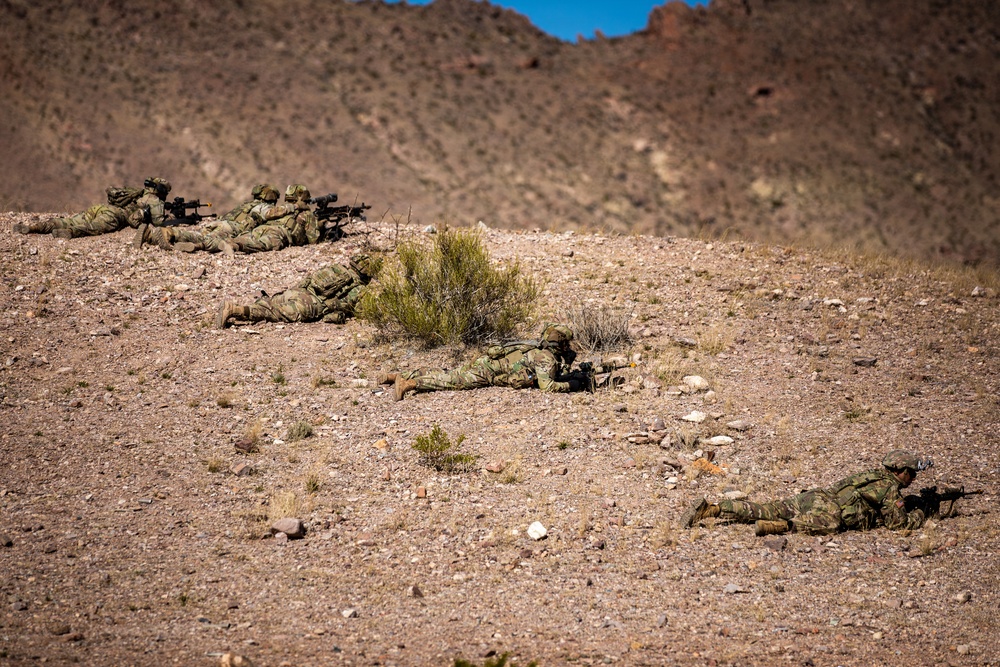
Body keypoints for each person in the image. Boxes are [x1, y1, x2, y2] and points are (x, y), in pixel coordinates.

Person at [680, 450, 933, 536]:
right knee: (817, 525)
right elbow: (897, 525)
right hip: (829, 509)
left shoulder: (872, 474)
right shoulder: (890, 489)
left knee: (766, 506)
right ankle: (776, 528)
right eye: (912, 472)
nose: (914, 478)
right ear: (902, 471)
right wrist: (922, 512)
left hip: (816, 495)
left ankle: (713, 508)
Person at [384, 324, 593, 401]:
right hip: (488, 371)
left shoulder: (537, 348)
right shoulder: (546, 358)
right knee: (451, 381)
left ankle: (398, 375)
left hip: (487, 361)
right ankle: (409, 384)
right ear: (561, 343)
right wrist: (573, 384)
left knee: (450, 371)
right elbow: (547, 387)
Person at [215, 254, 379, 328]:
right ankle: (234, 309)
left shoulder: (337, 269)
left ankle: (245, 307)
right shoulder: (360, 289)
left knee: (272, 302)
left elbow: (310, 278)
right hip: (310, 305)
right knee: (273, 313)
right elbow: (360, 310)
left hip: (297, 291)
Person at [134, 183, 280, 252]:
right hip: (230, 228)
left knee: (198, 234)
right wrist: (292, 208)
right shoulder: (263, 207)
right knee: (206, 240)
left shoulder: (246, 204)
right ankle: (170, 234)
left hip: (221, 222)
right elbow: (270, 214)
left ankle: (150, 235)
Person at [14, 177, 171, 239]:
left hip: (101, 208)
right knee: (92, 228)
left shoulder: (136, 192)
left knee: (67, 220)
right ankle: (69, 234)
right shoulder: (155, 201)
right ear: (162, 191)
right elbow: (157, 223)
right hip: (114, 216)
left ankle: (34, 227)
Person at [223, 184, 321, 254]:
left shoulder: (280, 208)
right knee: (261, 245)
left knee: (248, 237)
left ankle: (225, 241)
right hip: (277, 233)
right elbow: (313, 240)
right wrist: (320, 226)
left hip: (261, 228)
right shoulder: (307, 214)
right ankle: (236, 245)